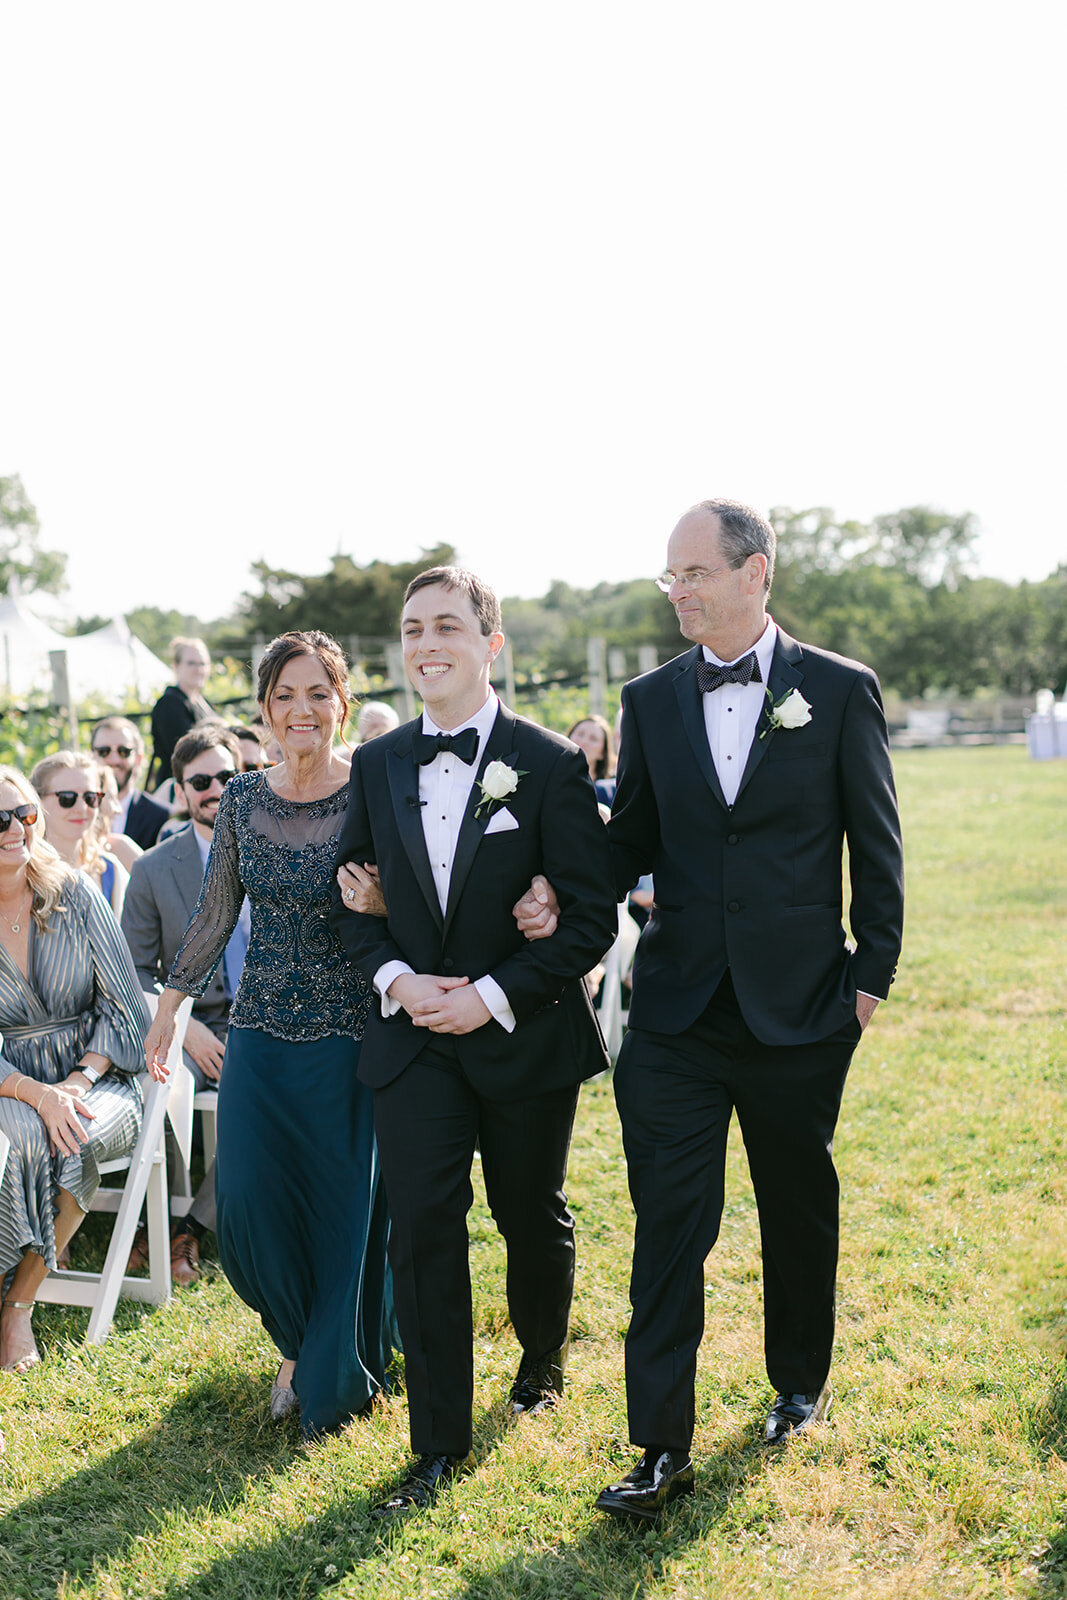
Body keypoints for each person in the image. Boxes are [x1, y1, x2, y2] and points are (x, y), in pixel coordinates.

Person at [518, 498, 904, 1520]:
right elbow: (629, 837)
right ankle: (658, 1445)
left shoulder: (836, 689)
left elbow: (875, 842)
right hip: (677, 1014)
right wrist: (557, 882)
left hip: (800, 1009)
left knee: (794, 1204)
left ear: (754, 573)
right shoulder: (647, 703)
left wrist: (868, 980)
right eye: (668, 575)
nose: (677, 589)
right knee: (666, 1229)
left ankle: (796, 1383)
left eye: (693, 571)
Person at [330, 565, 617, 1521]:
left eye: (447, 626)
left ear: (491, 645)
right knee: (423, 1229)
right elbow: (351, 901)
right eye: (412, 630)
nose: (425, 645)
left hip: (522, 1034)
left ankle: (541, 1360)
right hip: (414, 1041)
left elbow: (587, 922)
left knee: (527, 1211)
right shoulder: (377, 764)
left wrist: (491, 995)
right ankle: (437, 1442)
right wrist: (399, 982)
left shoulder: (547, 763)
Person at [142, 631, 396, 1438]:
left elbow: (420, 901)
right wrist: (169, 1005)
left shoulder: (374, 789)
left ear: (341, 702)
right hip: (257, 1030)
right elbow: (216, 910)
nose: (301, 710)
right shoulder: (245, 799)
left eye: (317, 693)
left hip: (348, 1030)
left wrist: (385, 907)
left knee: (335, 1207)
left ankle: (317, 1359)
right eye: (285, 695)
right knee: (248, 1204)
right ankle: (296, 1333)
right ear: (262, 709)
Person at [0, 766, 148, 1373]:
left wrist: (77, 1082)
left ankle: (17, 1308)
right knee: (18, 1136)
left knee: (73, 1133)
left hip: (101, 1073)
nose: (16, 829)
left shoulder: (75, 893)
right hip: (11, 1078)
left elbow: (126, 1008)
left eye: (25, 814)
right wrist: (37, 1093)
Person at [121, 724, 246, 1287]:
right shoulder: (151, 869)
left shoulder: (275, 847)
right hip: (189, 1022)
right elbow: (131, 972)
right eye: (200, 780)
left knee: (264, 1088)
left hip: (270, 1014)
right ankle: (154, 1218)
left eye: (227, 775)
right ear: (180, 790)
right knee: (162, 1079)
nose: (215, 787)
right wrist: (185, 1025)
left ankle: (191, 1225)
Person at [30, 752, 130, 919]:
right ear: (37, 801)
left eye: (90, 798)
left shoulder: (111, 871)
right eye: (67, 798)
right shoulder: (20, 873)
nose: (82, 808)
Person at [91, 716, 169, 849]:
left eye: (124, 751)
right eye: (104, 751)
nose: (114, 760)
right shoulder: (76, 809)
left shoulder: (160, 816)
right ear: (92, 756)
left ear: (138, 758)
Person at [149, 637, 214, 785]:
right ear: (176, 666)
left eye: (203, 663)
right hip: (178, 786)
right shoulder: (169, 704)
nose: (198, 669)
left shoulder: (203, 703)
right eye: (191, 663)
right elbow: (186, 753)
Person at [567, 713, 617, 805]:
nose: (584, 741)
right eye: (580, 734)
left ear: (603, 753)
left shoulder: (612, 791)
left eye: (593, 739)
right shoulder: (551, 781)